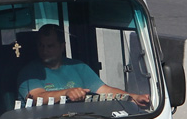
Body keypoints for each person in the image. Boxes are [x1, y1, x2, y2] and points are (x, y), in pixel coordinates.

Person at [18, 24, 150, 106]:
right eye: (41, 45)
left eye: (50, 46)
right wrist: (67, 93)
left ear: (62, 46)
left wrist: (133, 97)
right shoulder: (29, 73)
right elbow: (38, 98)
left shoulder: (79, 67)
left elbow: (106, 91)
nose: (44, 50)